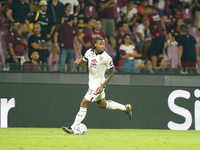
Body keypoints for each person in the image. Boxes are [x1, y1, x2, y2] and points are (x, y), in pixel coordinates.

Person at [62, 37, 132, 134]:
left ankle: (72, 128)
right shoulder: (89, 52)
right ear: (95, 44)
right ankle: (125, 108)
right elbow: (83, 63)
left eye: (103, 44)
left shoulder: (107, 58)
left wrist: (102, 86)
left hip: (99, 83)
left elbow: (111, 73)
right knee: (102, 105)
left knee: (84, 104)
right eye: (100, 44)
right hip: (91, 83)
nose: (102, 46)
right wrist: (79, 63)